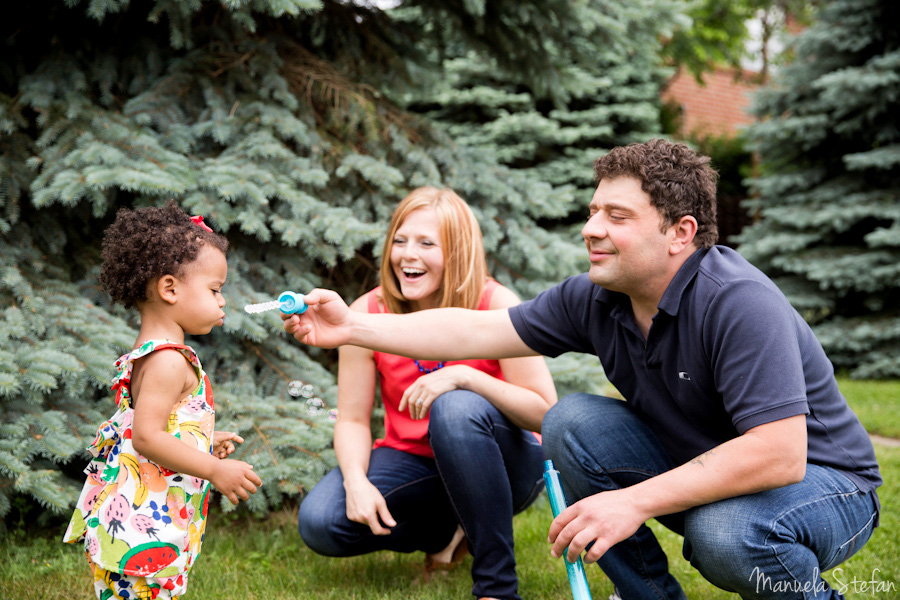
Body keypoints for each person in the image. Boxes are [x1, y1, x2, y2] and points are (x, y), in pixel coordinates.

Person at [283, 140, 882, 600]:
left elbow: (780, 454)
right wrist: (353, 328)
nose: (591, 228)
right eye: (594, 210)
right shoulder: (596, 298)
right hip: (713, 467)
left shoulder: (736, 302)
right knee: (572, 420)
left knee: (724, 535)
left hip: (826, 485)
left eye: (616, 216)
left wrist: (632, 502)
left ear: (680, 234)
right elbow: (477, 330)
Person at [295, 187, 557, 600]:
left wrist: (467, 379)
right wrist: (356, 480)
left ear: (457, 253)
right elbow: (351, 419)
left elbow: (547, 414)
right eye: (399, 241)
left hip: (507, 462)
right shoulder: (363, 316)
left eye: (426, 243)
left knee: (455, 407)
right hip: (415, 462)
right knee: (321, 521)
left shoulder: (495, 304)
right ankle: (447, 533)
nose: (407, 255)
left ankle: (496, 588)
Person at [64, 201, 262, 600]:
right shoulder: (169, 360)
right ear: (169, 288)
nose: (223, 301)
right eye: (215, 290)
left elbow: (160, 425)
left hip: (146, 518)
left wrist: (201, 436)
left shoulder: (153, 351)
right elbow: (147, 438)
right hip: (143, 526)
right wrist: (212, 469)